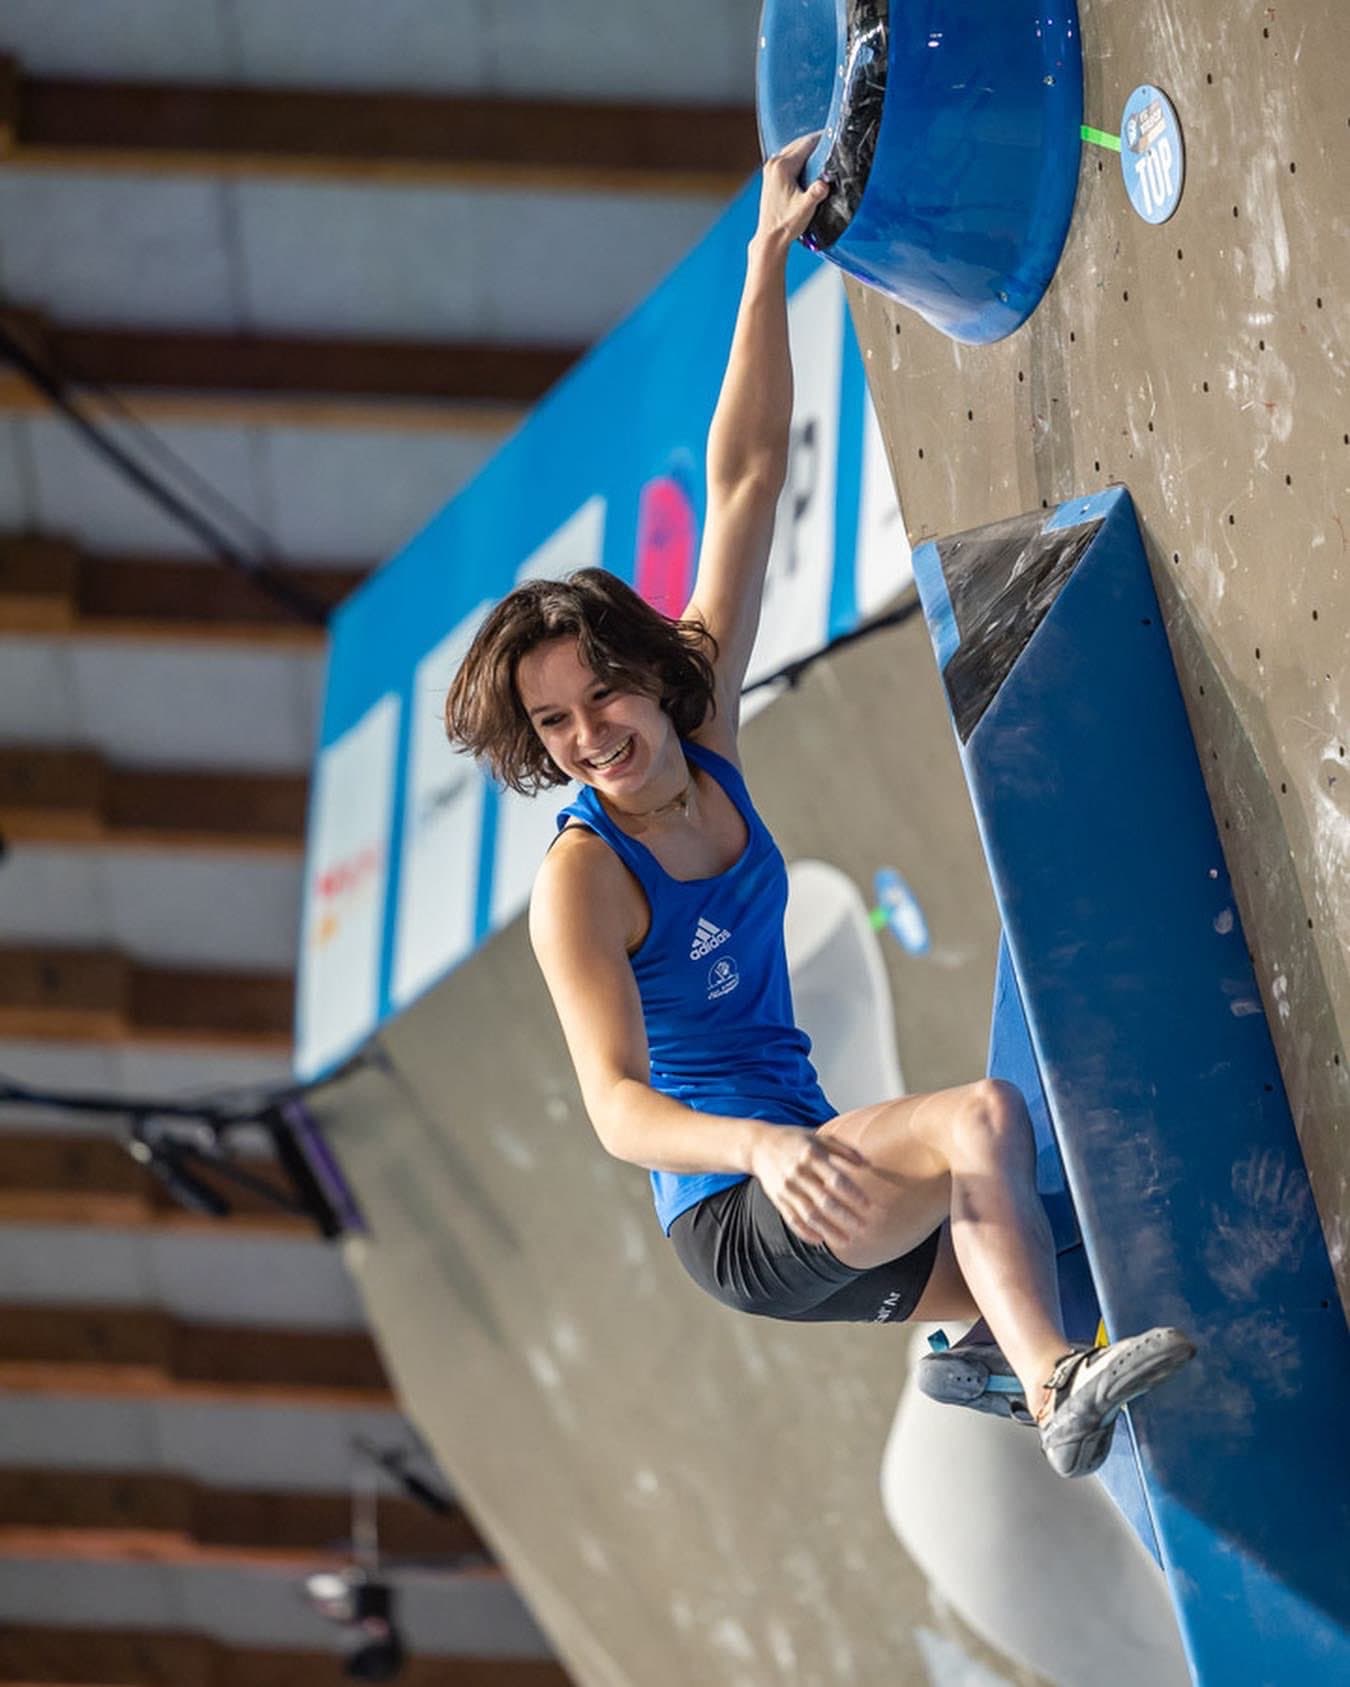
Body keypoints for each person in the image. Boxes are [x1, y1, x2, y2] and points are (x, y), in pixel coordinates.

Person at [445, 134, 1194, 1477]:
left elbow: (742, 482)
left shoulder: (705, 716)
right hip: (743, 1206)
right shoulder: (585, 875)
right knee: (977, 1123)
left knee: (1069, 1227)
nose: (588, 741)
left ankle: (979, 1356)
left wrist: (763, 260)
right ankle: (1052, 1398)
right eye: (553, 729)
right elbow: (614, 1106)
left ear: (644, 675)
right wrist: (758, 1147)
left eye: (597, 702)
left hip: (816, 1181)